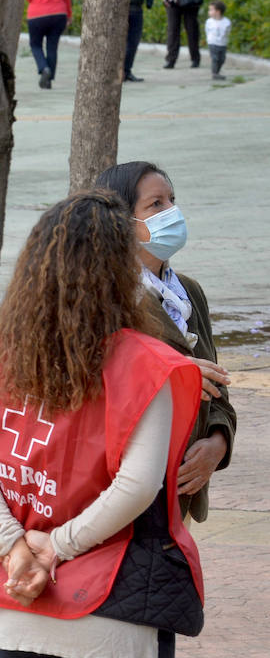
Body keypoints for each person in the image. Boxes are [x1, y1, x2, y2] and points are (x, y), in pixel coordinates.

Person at [0, 191, 205, 658]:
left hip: (19, 609)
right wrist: (56, 546)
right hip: (116, 609)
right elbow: (138, 487)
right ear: (118, 267)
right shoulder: (147, 362)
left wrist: (15, 548)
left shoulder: (0, 355)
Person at [94, 161, 235, 527]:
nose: (172, 212)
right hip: (120, 490)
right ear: (122, 222)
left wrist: (218, 443)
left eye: (172, 200)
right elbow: (91, 388)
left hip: (182, 487)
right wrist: (172, 374)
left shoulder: (189, 292)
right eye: (156, 204)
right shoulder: (103, 296)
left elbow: (217, 387)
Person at [25, 0, 72, 90]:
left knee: (35, 44)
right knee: (52, 46)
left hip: (37, 14)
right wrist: (68, 15)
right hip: (59, 14)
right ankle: (49, 79)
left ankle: (44, 68)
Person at [205, 0, 230, 81]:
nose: (209, 12)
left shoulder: (226, 22)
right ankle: (214, 73)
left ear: (218, 11)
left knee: (222, 59)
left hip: (222, 44)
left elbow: (227, 32)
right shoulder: (209, 22)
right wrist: (209, 39)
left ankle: (217, 72)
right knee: (215, 58)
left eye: (211, 10)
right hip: (212, 43)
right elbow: (207, 30)